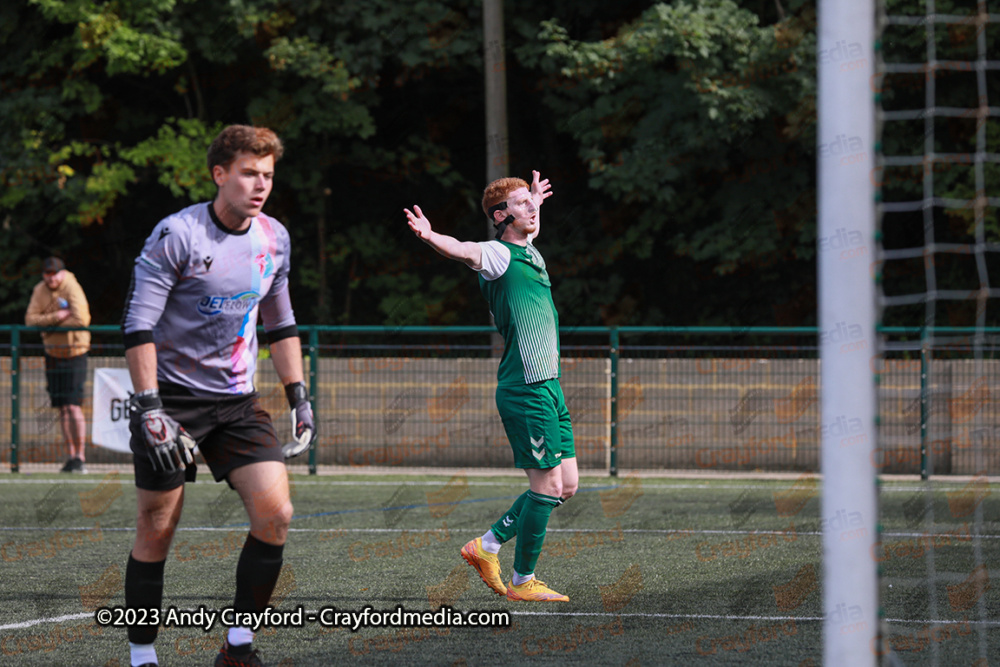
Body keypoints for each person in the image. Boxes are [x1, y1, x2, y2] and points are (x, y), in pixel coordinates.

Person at [120, 125, 316, 667]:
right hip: (170, 402)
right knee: (157, 528)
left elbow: (281, 323)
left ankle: (237, 646)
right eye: (249, 173)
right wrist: (149, 408)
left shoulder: (274, 237)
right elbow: (137, 324)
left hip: (236, 401)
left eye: (268, 175)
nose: (260, 185)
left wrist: (298, 394)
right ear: (219, 174)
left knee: (276, 514)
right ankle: (142, 656)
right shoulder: (177, 234)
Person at [404, 171, 577, 602]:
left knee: (566, 485)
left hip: (550, 387)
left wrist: (532, 199)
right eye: (520, 205)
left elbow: (527, 221)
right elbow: (464, 250)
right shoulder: (499, 255)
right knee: (547, 488)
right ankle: (522, 581)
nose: (532, 209)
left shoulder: (527, 249)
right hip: (526, 387)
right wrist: (430, 236)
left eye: (532, 203)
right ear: (501, 216)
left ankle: (486, 545)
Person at [25, 256, 92, 473]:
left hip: (75, 353)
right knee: (62, 406)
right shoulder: (39, 290)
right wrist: (57, 317)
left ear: (62, 273)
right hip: (53, 353)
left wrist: (49, 320)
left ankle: (81, 457)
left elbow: (82, 319)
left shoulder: (72, 287)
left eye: (54, 273)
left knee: (73, 405)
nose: (51, 278)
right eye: (47, 273)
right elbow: (30, 319)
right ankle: (71, 456)